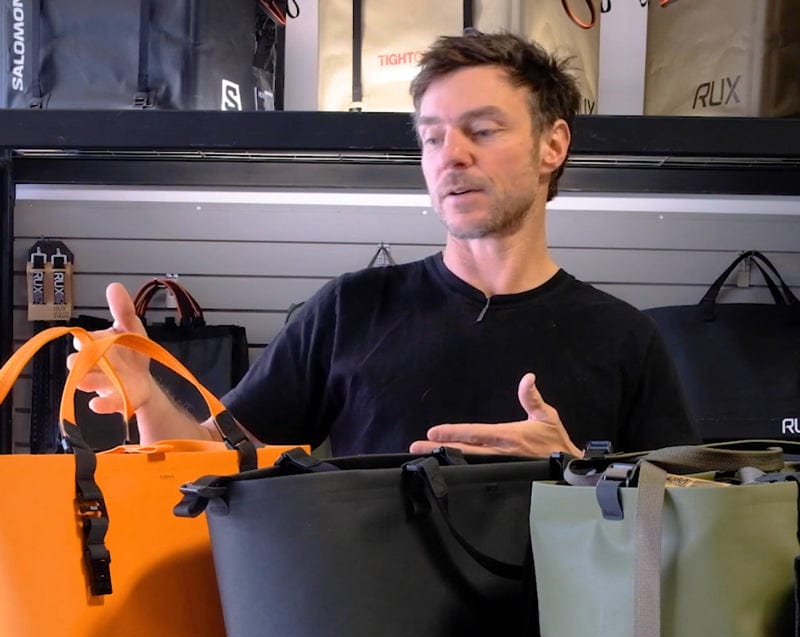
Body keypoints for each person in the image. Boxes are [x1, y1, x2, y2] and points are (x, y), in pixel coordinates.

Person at [71, 29, 697, 457]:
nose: (451, 155)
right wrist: (148, 399)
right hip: (370, 618)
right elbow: (212, 459)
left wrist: (576, 471)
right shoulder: (350, 311)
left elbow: (676, 528)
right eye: (432, 137)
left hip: (555, 624)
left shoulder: (624, 339)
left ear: (552, 145)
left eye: (482, 130)